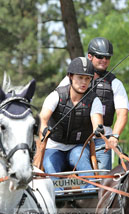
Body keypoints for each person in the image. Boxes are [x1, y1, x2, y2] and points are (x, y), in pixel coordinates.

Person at [58, 37, 129, 171]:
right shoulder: (71, 79)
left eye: (107, 57)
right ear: (90, 56)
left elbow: (122, 113)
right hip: (75, 140)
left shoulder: (115, 84)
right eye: (100, 56)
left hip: (102, 140)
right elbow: (57, 104)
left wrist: (114, 136)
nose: (104, 60)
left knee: (103, 179)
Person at [39, 57, 104, 191]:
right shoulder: (56, 96)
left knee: (84, 166)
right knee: (50, 168)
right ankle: (58, 198)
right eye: (80, 77)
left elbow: (97, 121)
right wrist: (44, 128)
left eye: (87, 79)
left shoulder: (94, 100)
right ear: (70, 76)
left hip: (77, 147)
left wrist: (99, 130)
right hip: (54, 147)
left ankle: (90, 194)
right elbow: (43, 118)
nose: (84, 82)